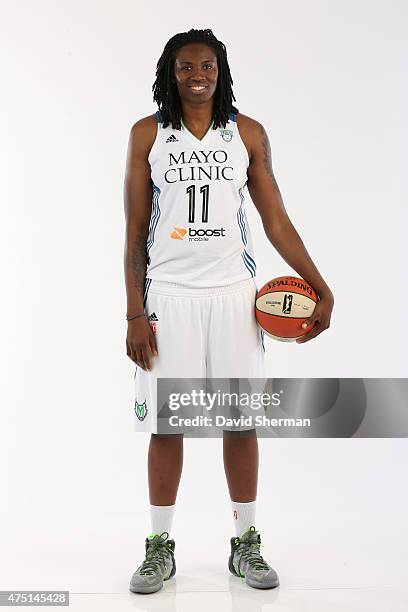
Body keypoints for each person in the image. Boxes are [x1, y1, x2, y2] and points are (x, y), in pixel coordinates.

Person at [123, 28, 334, 595]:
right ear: (170, 72)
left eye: (209, 66)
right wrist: (133, 313)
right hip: (168, 296)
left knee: (241, 422)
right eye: (187, 66)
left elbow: (276, 221)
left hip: (235, 297)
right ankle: (159, 549)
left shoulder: (247, 134)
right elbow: (134, 233)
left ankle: (245, 543)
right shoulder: (149, 134)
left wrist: (320, 286)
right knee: (169, 426)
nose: (199, 75)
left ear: (222, 72)